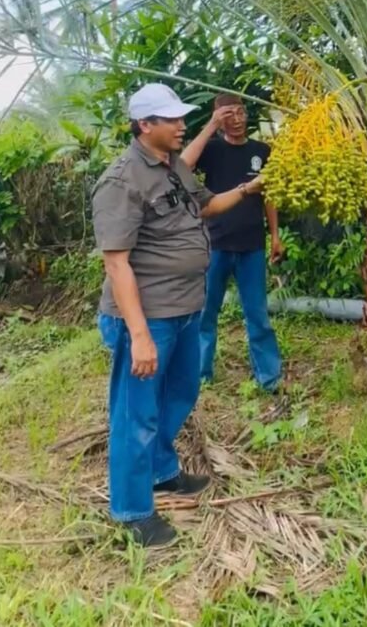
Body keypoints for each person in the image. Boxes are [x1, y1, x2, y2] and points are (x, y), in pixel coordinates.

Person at [92, 82, 263, 549]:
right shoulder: (122, 181)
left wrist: (249, 188)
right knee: (136, 414)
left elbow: (208, 207)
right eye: (171, 119)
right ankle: (132, 510)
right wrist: (139, 335)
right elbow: (116, 264)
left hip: (186, 308)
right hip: (149, 317)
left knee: (180, 392)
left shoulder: (174, 167)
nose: (182, 125)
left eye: (181, 117)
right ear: (144, 125)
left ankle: (162, 471)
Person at [181, 93, 283, 391]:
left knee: (258, 315)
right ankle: (200, 375)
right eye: (228, 115)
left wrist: (275, 236)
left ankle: (269, 378)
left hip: (252, 245)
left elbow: (270, 195)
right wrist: (211, 125)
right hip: (215, 244)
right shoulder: (211, 149)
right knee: (206, 313)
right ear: (218, 119)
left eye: (240, 112)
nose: (237, 120)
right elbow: (182, 168)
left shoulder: (262, 151)